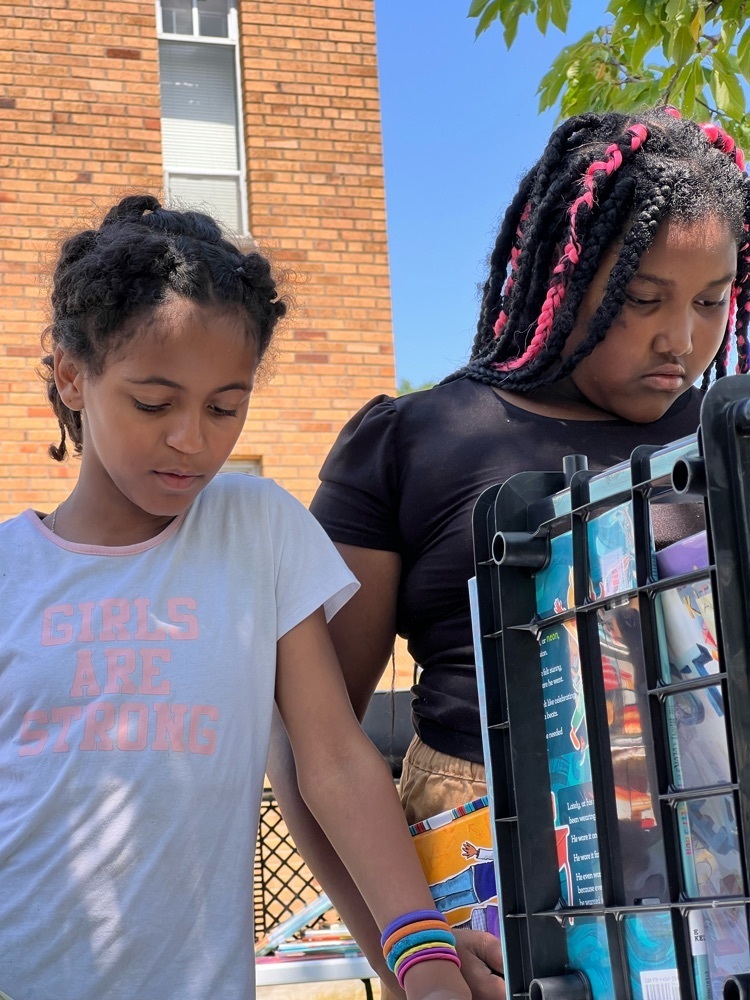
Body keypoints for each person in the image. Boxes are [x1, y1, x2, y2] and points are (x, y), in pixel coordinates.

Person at [267, 107, 750, 1000]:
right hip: (494, 936)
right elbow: (309, 742)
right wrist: (413, 957)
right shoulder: (415, 442)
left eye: (712, 300)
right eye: (642, 299)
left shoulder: (731, 440)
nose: (680, 339)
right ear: (564, 278)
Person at [0, 195, 473, 1000]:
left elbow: (330, 759)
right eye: (154, 403)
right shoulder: (11, 571)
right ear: (72, 377)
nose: (193, 438)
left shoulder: (258, 527)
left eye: (227, 405)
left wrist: (420, 951)